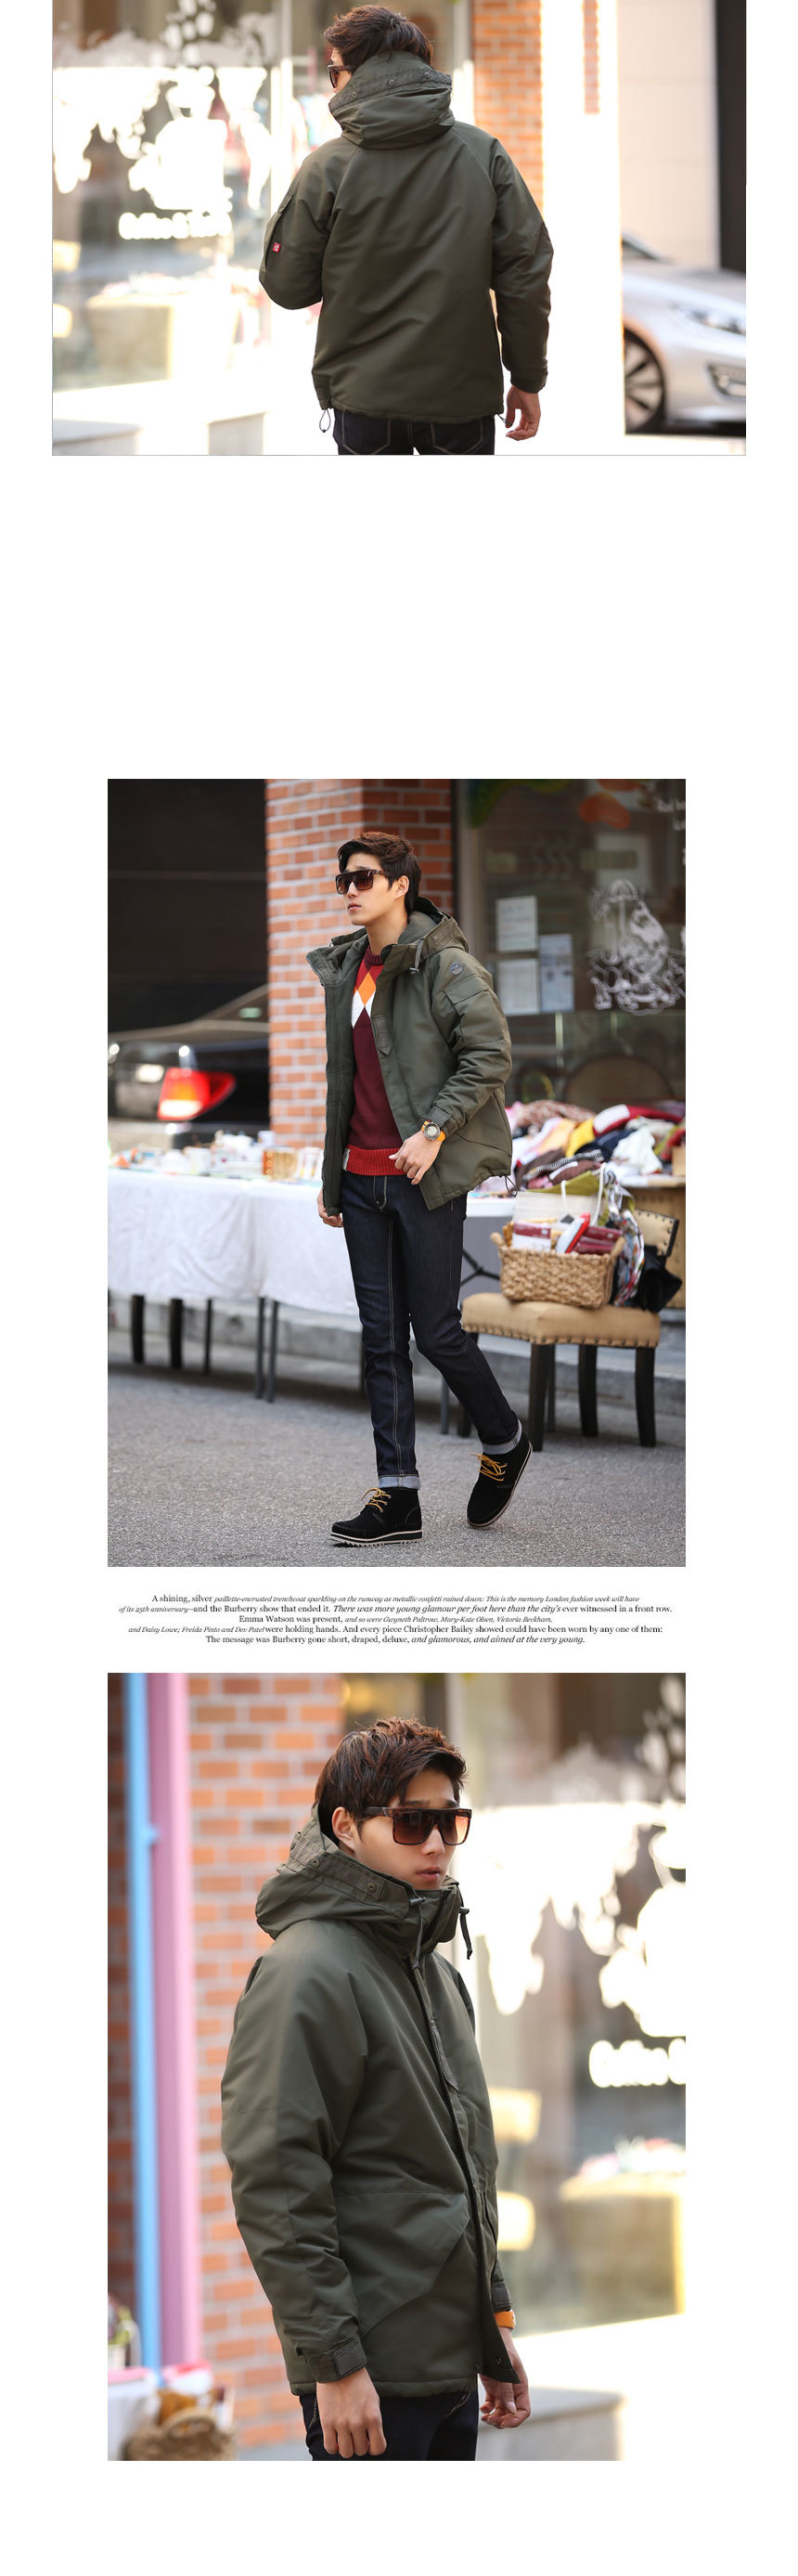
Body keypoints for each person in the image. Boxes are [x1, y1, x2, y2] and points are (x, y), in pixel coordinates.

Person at [221, 1716, 531, 2461]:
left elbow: (460, 2170)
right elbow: (279, 2180)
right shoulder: (307, 1972)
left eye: (450, 1822)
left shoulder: (434, 1973)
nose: (436, 1843)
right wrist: (335, 2365)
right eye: (411, 1822)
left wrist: (493, 2331)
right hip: (370, 2380)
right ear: (346, 1828)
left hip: (447, 2366)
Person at [307, 827, 531, 1544]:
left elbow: (489, 1054)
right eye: (344, 879)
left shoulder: (445, 964)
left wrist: (432, 1133)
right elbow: (346, 1084)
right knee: (380, 1340)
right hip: (361, 1179)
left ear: (401, 885)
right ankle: (397, 1496)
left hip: (422, 1177)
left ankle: (505, 1440)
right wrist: (332, 1177)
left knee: (435, 1330)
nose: (350, 890)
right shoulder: (346, 968)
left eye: (364, 878)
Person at [259, 4, 553, 453]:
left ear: (360, 73)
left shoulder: (328, 167)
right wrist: (527, 377)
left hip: (364, 398)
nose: (332, 84)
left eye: (335, 71)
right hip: (461, 396)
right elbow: (524, 275)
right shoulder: (482, 153)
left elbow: (287, 286)